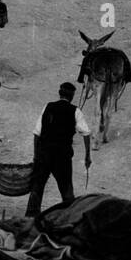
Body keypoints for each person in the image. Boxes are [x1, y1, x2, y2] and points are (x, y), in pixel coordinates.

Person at [26, 81, 92, 216]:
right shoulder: (75, 111)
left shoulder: (48, 107)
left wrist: (36, 155)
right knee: (66, 189)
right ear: (72, 96)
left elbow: (36, 133)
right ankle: (70, 217)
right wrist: (87, 156)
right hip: (62, 156)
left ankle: (31, 217)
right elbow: (86, 133)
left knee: (37, 187)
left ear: (59, 93)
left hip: (44, 153)